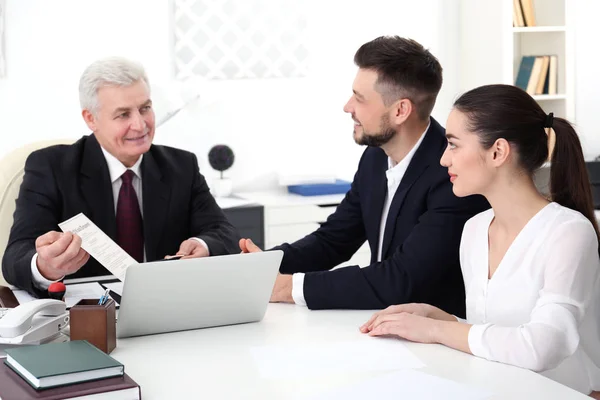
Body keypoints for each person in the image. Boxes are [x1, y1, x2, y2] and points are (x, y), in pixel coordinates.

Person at [361, 84, 600, 397]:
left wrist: (438, 330)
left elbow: (543, 347)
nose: (444, 159)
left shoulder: (567, 232)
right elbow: (494, 330)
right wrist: (439, 316)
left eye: (454, 145)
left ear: (497, 152)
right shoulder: (474, 229)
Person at [239, 36, 489, 313]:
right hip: (384, 326)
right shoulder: (374, 157)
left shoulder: (452, 173)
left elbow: (401, 280)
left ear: (400, 110)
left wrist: (288, 287)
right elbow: (334, 240)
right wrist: (263, 265)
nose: (348, 107)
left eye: (359, 98)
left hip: (434, 342)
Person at [2, 57, 239, 297]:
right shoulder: (50, 167)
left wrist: (203, 245)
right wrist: (45, 267)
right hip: (86, 316)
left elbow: (224, 232)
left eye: (145, 108)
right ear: (91, 119)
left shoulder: (181, 166)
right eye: (123, 114)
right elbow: (15, 255)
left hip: (166, 305)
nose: (140, 125)